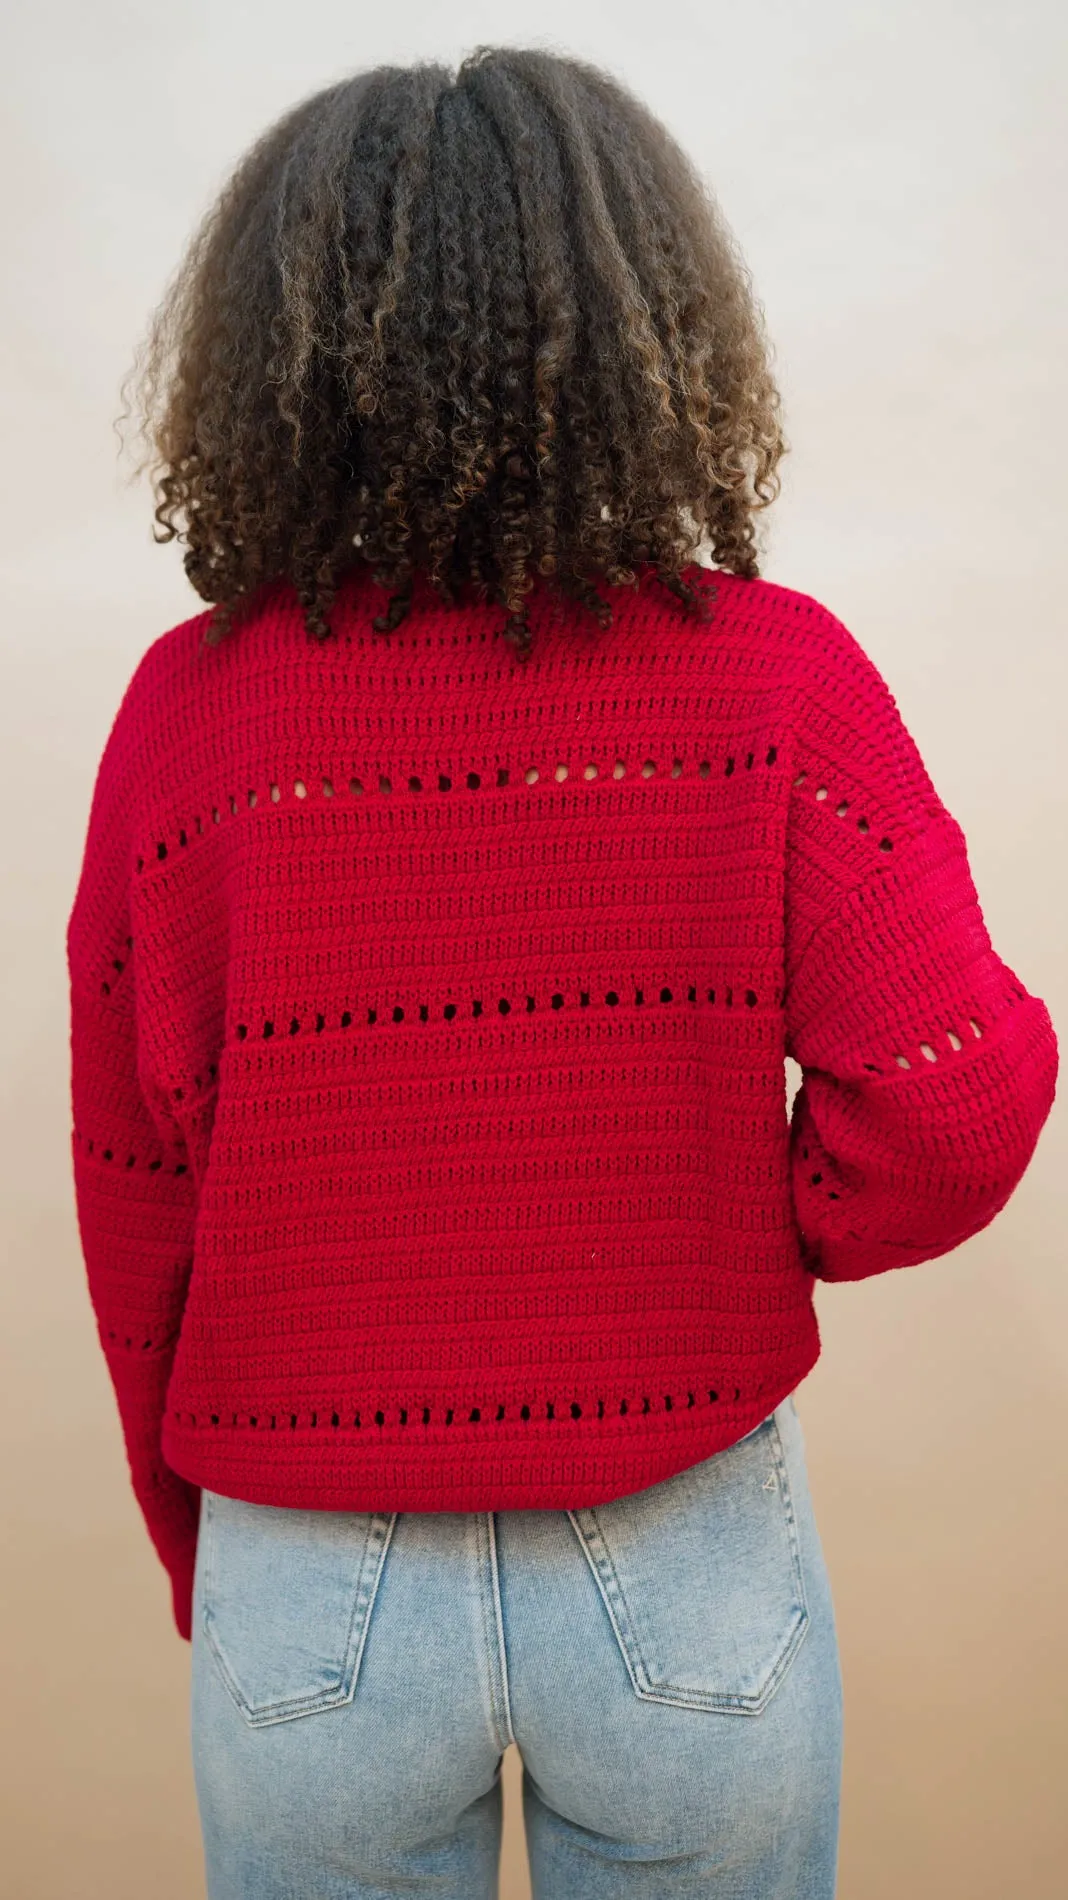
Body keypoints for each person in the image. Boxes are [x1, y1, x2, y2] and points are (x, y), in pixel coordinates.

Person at [66, 44, 1058, 1900]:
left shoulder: (190, 720)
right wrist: (738, 1229)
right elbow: (960, 1094)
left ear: (277, 363)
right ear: (640, 324)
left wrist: (203, 1537)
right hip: (678, 1538)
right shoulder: (771, 679)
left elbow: (138, 1187)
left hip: (313, 1566)